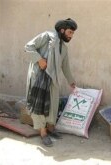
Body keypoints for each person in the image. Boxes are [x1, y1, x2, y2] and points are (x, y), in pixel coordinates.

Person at [25, 18, 77, 147]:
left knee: (53, 104)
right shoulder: (47, 37)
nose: (71, 36)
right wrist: (39, 60)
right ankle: (43, 132)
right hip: (39, 78)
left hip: (52, 79)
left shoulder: (63, 48)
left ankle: (50, 128)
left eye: (73, 33)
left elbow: (65, 66)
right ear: (62, 30)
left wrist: (71, 81)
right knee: (40, 105)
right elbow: (28, 46)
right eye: (70, 32)